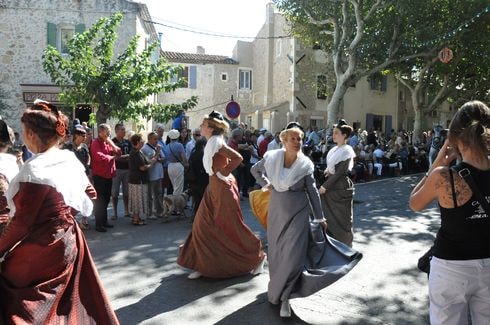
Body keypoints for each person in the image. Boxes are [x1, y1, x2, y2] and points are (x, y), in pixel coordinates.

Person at [0, 100, 119, 324]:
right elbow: (89, 193)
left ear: (32, 135)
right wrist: (62, 215)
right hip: (68, 239)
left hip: (42, 245)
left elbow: (22, 225)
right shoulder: (68, 158)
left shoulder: (34, 170)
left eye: (24, 131)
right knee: (64, 301)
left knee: (18, 294)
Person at [409, 100, 490, 325]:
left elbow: (414, 204)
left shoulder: (444, 176)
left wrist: (435, 165)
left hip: (451, 267)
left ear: (454, 137)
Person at [251, 124, 335, 318]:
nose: (298, 142)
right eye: (293, 139)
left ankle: (286, 298)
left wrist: (320, 216)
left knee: (293, 256)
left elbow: (313, 192)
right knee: (278, 254)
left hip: (299, 213)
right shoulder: (271, 158)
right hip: (277, 212)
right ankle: (278, 291)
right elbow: (255, 171)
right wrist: (267, 184)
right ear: (284, 140)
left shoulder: (305, 165)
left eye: (300, 139)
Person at [177, 111, 265, 280]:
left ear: (210, 127)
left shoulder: (217, 142)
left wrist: (222, 173)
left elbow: (237, 158)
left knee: (231, 227)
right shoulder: (211, 141)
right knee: (202, 225)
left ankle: (258, 256)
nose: (200, 127)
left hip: (223, 188)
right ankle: (202, 264)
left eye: (203, 125)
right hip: (214, 187)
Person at [319, 119, 357, 247]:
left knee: (342, 219)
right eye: (333, 133)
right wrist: (327, 171)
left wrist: (325, 186)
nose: (333, 135)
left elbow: (341, 172)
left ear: (344, 135)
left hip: (340, 187)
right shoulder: (334, 149)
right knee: (328, 218)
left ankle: (345, 246)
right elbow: (333, 168)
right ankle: (332, 246)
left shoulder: (347, 150)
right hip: (332, 185)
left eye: (336, 133)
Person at [90, 123, 121, 232]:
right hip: (100, 175)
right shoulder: (95, 143)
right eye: (107, 130)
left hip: (109, 174)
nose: (109, 132)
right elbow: (99, 157)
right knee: (100, 200)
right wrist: (112, 157)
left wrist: (110, 142)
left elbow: (119, 152)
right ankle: (99, 224)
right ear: (100, 132)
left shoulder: (108, 142)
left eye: (109, 130)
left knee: (107, 199)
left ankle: (104, 221)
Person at [62, 124, 91, 230]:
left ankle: (84, 219)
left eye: (85, 135)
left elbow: (88, 157)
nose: (85, 137)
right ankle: (72, 220)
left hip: (84, 176)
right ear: (76, 136)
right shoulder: (67, 147)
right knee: (72, 199)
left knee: (84, 197)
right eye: (82, 135)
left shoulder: (84, 147)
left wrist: (87, 164)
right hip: (71, 178)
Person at [128, 134, 157, 225]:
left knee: (137, 199)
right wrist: (151, 165)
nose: (143, 141)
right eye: (141, 140)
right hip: (138, 180)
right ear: (137, 142)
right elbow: (142, 167)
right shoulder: (135, 153)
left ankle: (136, 217)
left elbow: (146, 161)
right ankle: (136, 219)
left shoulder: (138, 151)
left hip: (136, 180)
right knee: (137, 199)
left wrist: (153, 159)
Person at [141, 132, 165, 219]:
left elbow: (163, 158)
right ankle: (149, 213)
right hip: (151, 175)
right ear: (149, 139)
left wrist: (158, 158)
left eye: (157, 139)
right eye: (155, 139)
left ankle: (159, 211)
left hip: (159, 174)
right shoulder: (144, 149)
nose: (156, 141)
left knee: (159, 193)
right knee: (149, 195)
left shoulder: (157, 147)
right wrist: (157, 154)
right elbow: (148, 161)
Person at [111, 123, 131, 220]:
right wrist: (124, 157)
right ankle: (115, 212)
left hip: (127, 169)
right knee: (114, 192)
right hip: (116, 170)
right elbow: (114, 157)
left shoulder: (127, 142)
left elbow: (131, 154)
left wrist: (122, 157)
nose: (124, 131)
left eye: (124, 129)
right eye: (122, 129)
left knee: (126, 192)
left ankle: (126, 211)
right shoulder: (112, 142)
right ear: (116, 131)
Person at [187, 138, 208, 221]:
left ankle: (196, 216)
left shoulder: (193, 153)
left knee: (197, 199)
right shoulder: (202, 154)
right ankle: (200, 218)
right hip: (202, 179)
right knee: (202, 199)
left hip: (193, 179)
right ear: (203, 145)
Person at [166, 129, 187, 195]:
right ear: (178, 136)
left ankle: (174, 202)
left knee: (174, 186)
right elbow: (184, 158)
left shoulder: (167, 146)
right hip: (178, 166)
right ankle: (176, 203)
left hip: (170, 166)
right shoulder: (179, 145)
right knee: (178, 188)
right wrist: (186, 164)